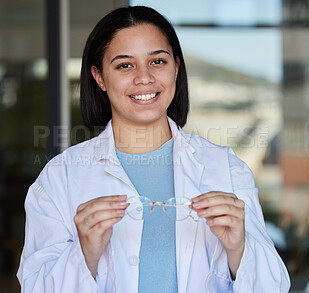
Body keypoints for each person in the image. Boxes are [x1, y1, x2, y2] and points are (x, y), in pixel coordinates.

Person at [17, 5, 290, 293]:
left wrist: (239, 249)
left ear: (176, 67)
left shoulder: (226, 168)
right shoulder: (61, 178)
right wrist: (84, 255)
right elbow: (35, 288)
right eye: (125, 65)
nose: (144, 77)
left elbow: (273, 287)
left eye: (157, 61)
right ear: (99, 77)